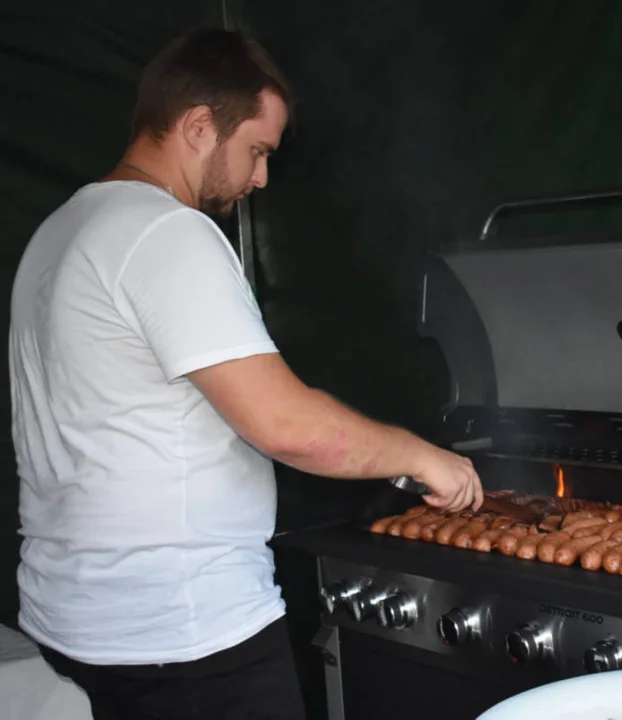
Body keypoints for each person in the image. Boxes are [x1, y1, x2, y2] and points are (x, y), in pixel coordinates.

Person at [8, 27, 482, 720]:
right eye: (257, 151)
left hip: (72, 625)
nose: (261, 179)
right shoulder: (165, 232)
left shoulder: (56, 233)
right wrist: (423, 456)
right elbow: (291, 428)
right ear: (199, 125)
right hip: (184, 638)